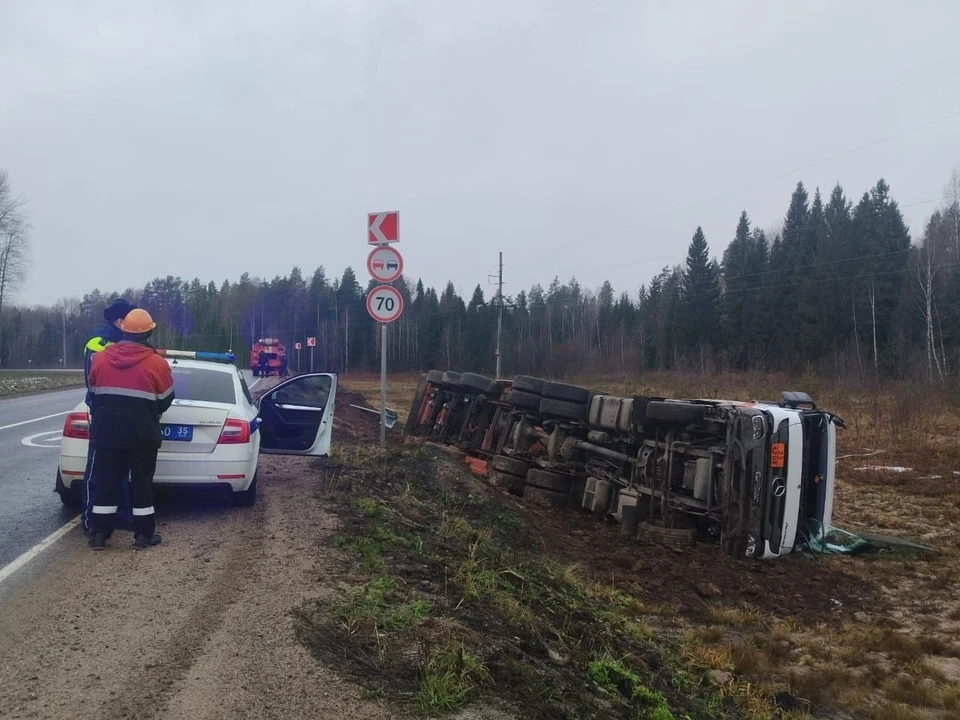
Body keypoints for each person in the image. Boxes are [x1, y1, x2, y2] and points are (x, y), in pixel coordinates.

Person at [87, 308, 174, 550]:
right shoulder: (157, 363)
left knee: (106, 482)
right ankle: (143, 536)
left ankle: (98, 535)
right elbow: (165, 399)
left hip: (107, 433)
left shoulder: (101, 358)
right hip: (142, 435)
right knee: (142, 484)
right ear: (149, 332)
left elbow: (94, 394)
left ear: (123, 330)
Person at [81, 298, 137, 535]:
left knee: (121, 468)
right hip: (103, 412)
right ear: (120, 319)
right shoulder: (100, 342)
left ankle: (122, 516)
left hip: (119, 412)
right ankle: (89, 519)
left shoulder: (120, 338)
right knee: (97, 469)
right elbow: (94, 380)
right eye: (130, 318)